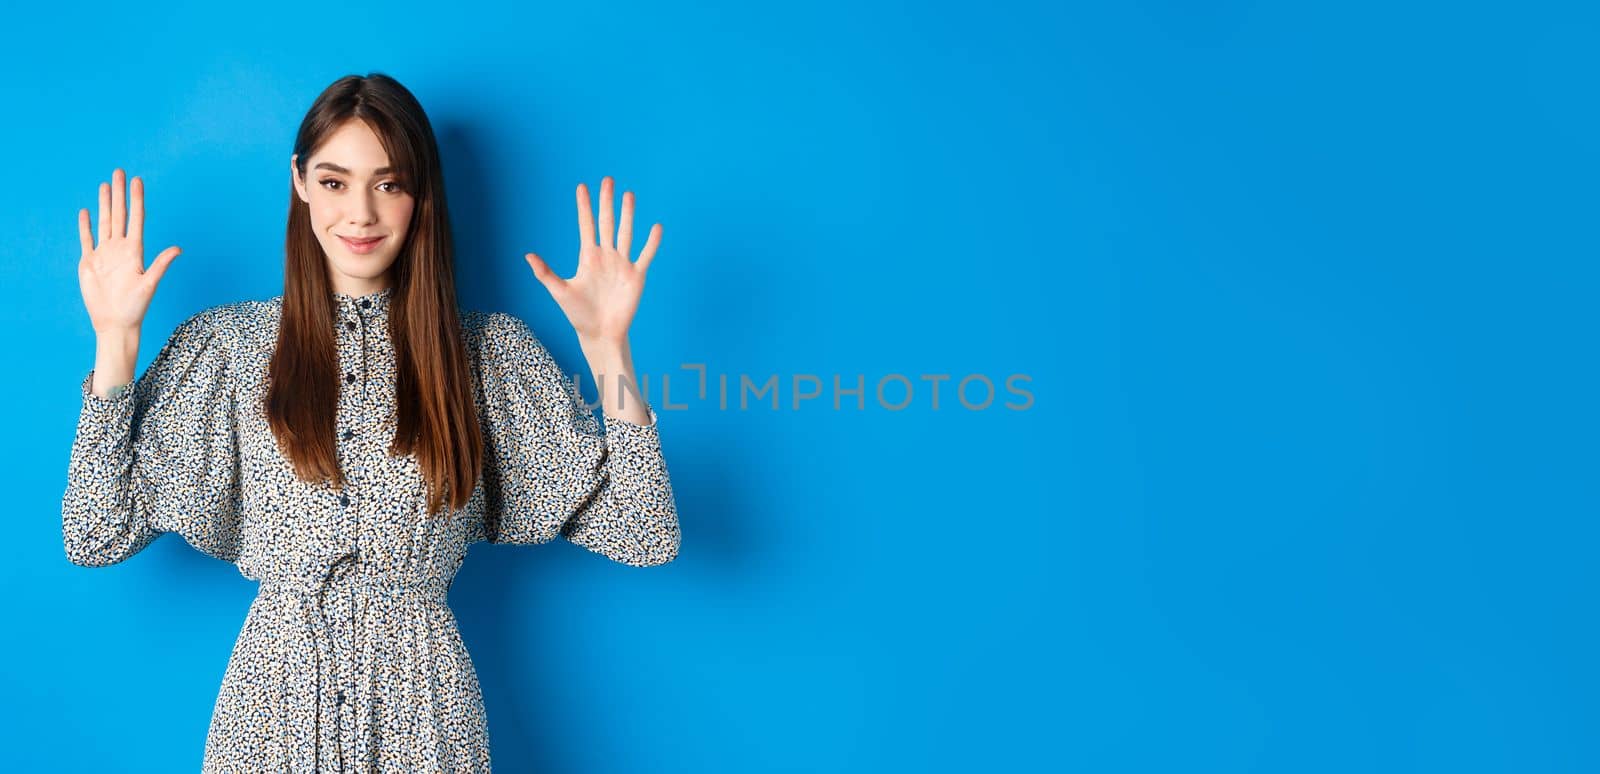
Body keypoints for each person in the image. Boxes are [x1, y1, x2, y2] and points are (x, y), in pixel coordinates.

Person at [62, 72, 681, 772]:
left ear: (421, 195)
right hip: (271, 717)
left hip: (426, 717)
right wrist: (113, 342)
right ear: (299, 182)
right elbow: (95, 532)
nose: (360, 212)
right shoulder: (229, 348)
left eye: (388, 184)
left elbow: (646, 531)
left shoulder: (484, 356)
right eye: (334, 181)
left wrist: (609, 353)